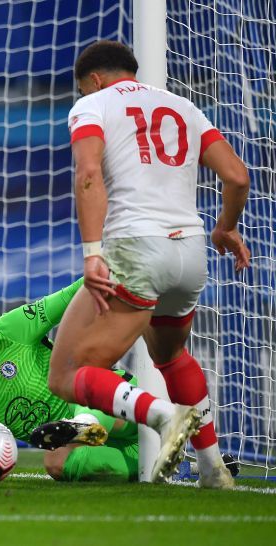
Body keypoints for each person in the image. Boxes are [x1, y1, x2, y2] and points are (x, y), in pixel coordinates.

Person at [46, 40, 250, 488]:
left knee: (64, 375)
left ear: (94, 80)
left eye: (83, 89)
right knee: (171, 355)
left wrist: (93, 253)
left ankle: (162, 417)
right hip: (191, 252)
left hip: (136, 248)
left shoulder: (93, 106)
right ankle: (213, 469)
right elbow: (237, 176)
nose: (83, 95)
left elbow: (88, 174)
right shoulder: (184, 107)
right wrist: (226, 228)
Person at [0, 279, 142, 482]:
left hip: (120, 407)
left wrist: (115, 272)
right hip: (93, 444)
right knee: (55, 464)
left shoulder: (9, 330)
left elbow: (72, 294)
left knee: (84, 389)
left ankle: (83, 422)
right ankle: (145, 467)